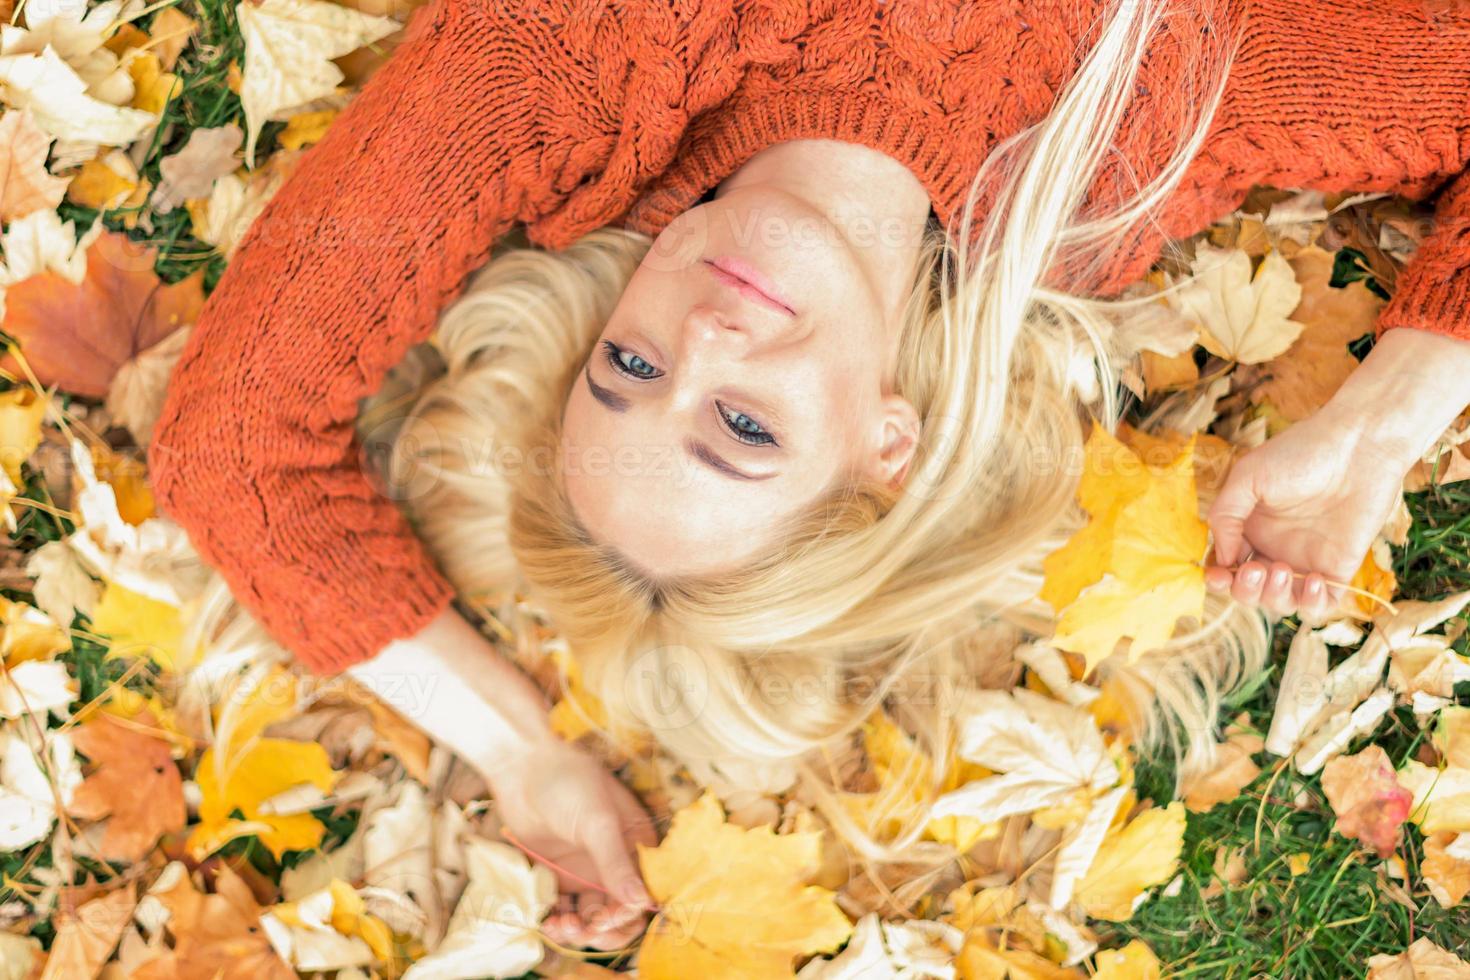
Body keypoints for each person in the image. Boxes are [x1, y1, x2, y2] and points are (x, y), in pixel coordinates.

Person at [150, 0, 1470, 951]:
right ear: (886, 446)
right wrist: (1385, 412)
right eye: (742, 428)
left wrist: (519, 750)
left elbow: (230, 447)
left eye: (627, 367)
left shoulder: (581, 59)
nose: (702, 341)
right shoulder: (1138, 131)